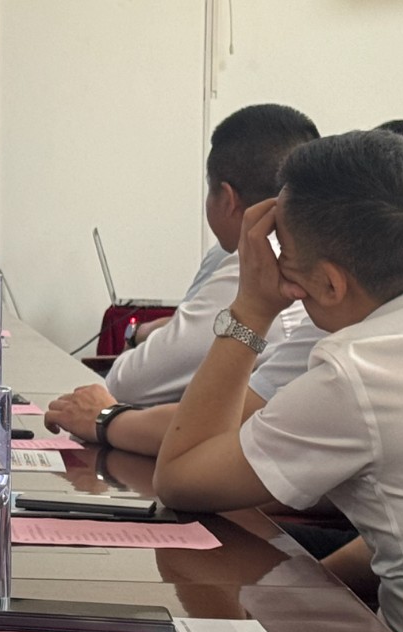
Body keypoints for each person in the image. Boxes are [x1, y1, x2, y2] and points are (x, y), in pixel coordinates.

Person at [155, 130, 403, 632]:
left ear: (329, 285)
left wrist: (250, 308)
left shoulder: (362, 371)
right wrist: (307, 589)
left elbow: (181, 478)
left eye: (283, 258)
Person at [100, 104, 319, 408]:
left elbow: (126, 385)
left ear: (228, 198)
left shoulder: (257, 265)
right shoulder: (310, 255)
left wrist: (137, 334)